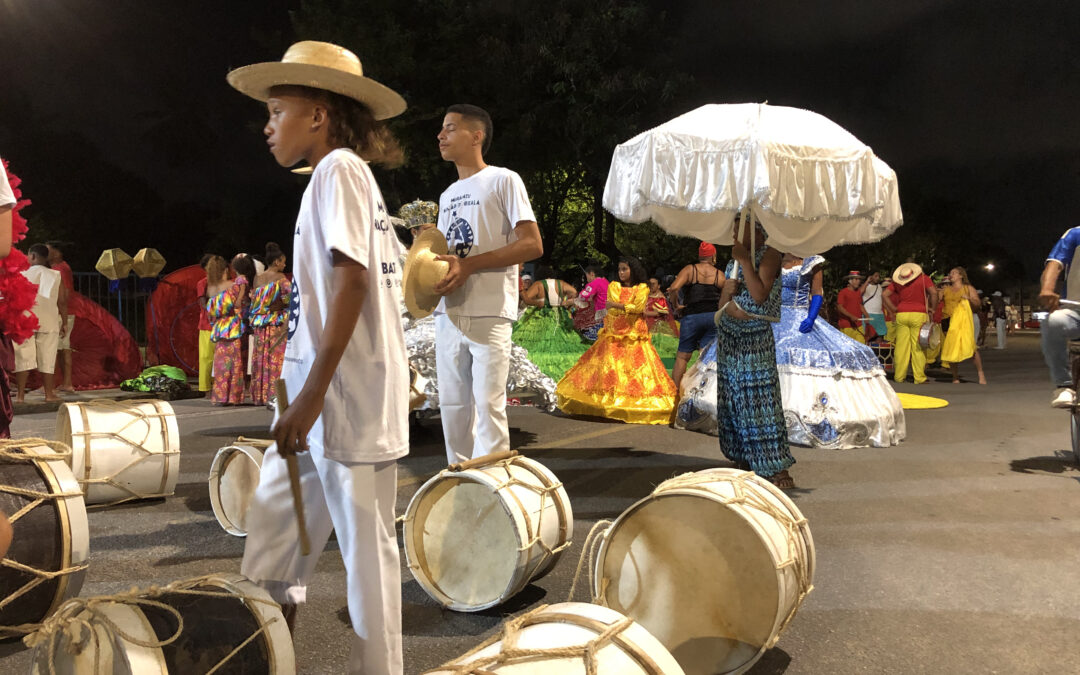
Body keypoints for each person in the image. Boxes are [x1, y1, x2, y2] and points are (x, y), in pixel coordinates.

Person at [228, 40, 409, 674]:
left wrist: (308, 398)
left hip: (342, 401)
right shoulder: (335, 181)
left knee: (367, 561)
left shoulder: (339, 171)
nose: (268, 126)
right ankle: (273, 656)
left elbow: (351, 283)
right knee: (279, 546)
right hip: (312, 399)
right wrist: (300, 395)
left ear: (319, 114)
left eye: (278, 110)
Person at [432, 103, 543, 465]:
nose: (440, 135)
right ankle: (458, 485)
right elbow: (451, 253)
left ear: (476, 135)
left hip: (490, 310)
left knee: (489, 405)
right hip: (447, 312)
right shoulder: (447, 195)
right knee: (452, 408)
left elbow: (531, 243)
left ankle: (492, 490)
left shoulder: (503, 179)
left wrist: (469, 266)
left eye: (450, 128)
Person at [771, 253, 905, 448]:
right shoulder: (775, 259)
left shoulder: (812, 261)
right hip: (775, 318)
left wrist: (811, 317)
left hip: (800, 316)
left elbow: (817, 293)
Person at [715, 222, 794, 487]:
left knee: (758, 397)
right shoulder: (733, 262)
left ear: (757, 230)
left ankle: (774, 465)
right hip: (729, 333)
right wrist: (726, 292)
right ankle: (744, 457)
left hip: (754, 335)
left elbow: (760, 295)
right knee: (733, 397)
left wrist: (745, 262)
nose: (734, 233)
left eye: (741, 228)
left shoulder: (769, 254)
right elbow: (724, 302)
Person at [556, 256, 677, 424]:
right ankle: (606, 404)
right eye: (619, 269)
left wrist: (619, 306)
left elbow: (637, 308)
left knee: (636, 371)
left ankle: (628, 403)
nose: (621, 273)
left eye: (624, 269)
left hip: (634, 335)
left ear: (633, 270)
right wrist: (622, 308)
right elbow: (612, 307)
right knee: (610, 370)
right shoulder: (614, 286)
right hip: (614, 334)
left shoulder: (642, 287)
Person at [666, 242, 724, 391]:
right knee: (706, 357)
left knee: (682, 357)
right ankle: (701, 393)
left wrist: (676, 305)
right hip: (712, 317)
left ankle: (676, 394)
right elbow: (728, 294)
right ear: (713, 256)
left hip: (691, 317)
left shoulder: (690, 269)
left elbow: (673, 288)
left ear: (700, 256)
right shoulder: (719, 274)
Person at [512, 265, 586, 381]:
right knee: (563, 340)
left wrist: (539, 301)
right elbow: (574, 291)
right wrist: (563, 300)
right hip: (559, 315)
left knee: (540, 343)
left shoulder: (538, 284)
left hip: (542, 315)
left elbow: (527, 299)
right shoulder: (560, 283)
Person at [15, 244, 66, 403]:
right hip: (48, 321)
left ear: (33, 256)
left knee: (23, 358)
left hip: (24, 321)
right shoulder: (55, 275)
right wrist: (64, 322)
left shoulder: (20, 274)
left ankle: (20, 396)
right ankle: (49, 394)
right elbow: (63, 301)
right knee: (48, 358)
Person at [250, 242, 292, 406]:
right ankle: (274, 394)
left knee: (261, 358)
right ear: (276, 262)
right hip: (275, 324)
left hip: (260, 325)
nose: (284, 264)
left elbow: (254, 301)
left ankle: (260, 395)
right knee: (275, 359)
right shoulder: (281, 279)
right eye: (283, 261)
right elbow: (290, 301)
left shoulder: (257, 278)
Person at [207, 255, 252, 405]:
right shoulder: (231, 286)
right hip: (232, 326)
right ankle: (233, 396)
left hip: (219, 327)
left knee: (220, 363)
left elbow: (211, 311)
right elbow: (239, 303)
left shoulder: (210, 289)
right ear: (225, 269)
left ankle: (221, 396)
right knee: (234, 362)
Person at [883, 262, 938, 384]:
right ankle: (919, 377)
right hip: (918, 315)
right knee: (918, 346)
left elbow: (884, 295)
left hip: (901, 315)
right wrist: (933, 309)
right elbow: (934, 293)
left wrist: (893, 309)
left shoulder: (898, 282)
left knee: (901, 347)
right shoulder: (924, 279)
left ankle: (899, 376)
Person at [940, 266, 987, 385]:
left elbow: (977, 304)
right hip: (948, 320)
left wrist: (969, 299)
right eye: (950, 273)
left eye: (954, 273)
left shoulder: (968, 288)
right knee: (951, 348)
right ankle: (955, 376)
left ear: (961, 275)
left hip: (964, 321)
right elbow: (934, 301)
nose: (951, 275)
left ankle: (981, 374)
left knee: (971, 347)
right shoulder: (946, 290)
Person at [46, 241, 75, 392]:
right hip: (61, 311)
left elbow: (64, 295)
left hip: (62, 312)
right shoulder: (59, 268)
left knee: (62, 348)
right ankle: (64, 382)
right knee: (62, 348)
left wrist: (62, 317)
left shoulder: (60, 269)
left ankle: (65, 383)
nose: (46, 253)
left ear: (57, 253)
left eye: (48, 250)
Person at [195, 254, 218, 392]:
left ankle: (218, 385)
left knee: (220, 357)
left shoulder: (223, 282)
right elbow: (202, 302)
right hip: (207, 324)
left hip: (221, 324)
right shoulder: (202, 283)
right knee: (206, 357)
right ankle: (205, 387)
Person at [644, 275, 680, 364]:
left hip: (657, 327)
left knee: (657, 347)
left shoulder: (660, 298)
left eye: (653, 284)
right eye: (649, 284)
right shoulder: (647, 295)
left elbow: (661, 313)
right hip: (646, 324)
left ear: (659, 286)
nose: (651, 286)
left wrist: (644, 313)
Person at [573, 264, 608, 341]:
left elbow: (583, 296)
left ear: (592, 274)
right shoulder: (605, 281)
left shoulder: (594, 283)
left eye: (587, 276)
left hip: (601, 312)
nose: (587, 279)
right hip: (609, 311)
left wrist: (574, 300)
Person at [835, 270, 869, 343]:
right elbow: (839, 307)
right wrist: (851, 316)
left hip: (858, 325)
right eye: (856, 279)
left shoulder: (858, 292)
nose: (858, 281)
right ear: (850, 281)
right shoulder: (843, 292)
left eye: (859, 279)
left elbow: (860, 304)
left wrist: (866, 315)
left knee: (861, 346)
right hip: (846, 326)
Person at [861, 271, 887, 340]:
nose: (878, 278)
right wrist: (867, 281)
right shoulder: (865, 286)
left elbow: (882, 301)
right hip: (868, 314)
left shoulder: (879, 287)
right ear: (870, 277)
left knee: (880, 335)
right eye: (875, 276)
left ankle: (877, 351)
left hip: (879, 315)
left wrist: (889, 312)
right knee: (867, 336)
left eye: (878, 276)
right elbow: (860, 293)